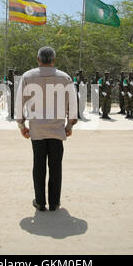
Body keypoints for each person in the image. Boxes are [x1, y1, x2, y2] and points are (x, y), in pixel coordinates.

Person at [16, 46, 77, 212]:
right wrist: (70, 125)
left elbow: (19, 102)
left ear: (38, 60)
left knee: (39, 165)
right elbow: (73, 104)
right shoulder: (65, 78)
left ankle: (40, 202)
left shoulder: (28, 76)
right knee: (56, 166)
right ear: (54, 60)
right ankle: (54, 203)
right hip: (57, 130)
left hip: (37, 130)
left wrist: (22, 125)